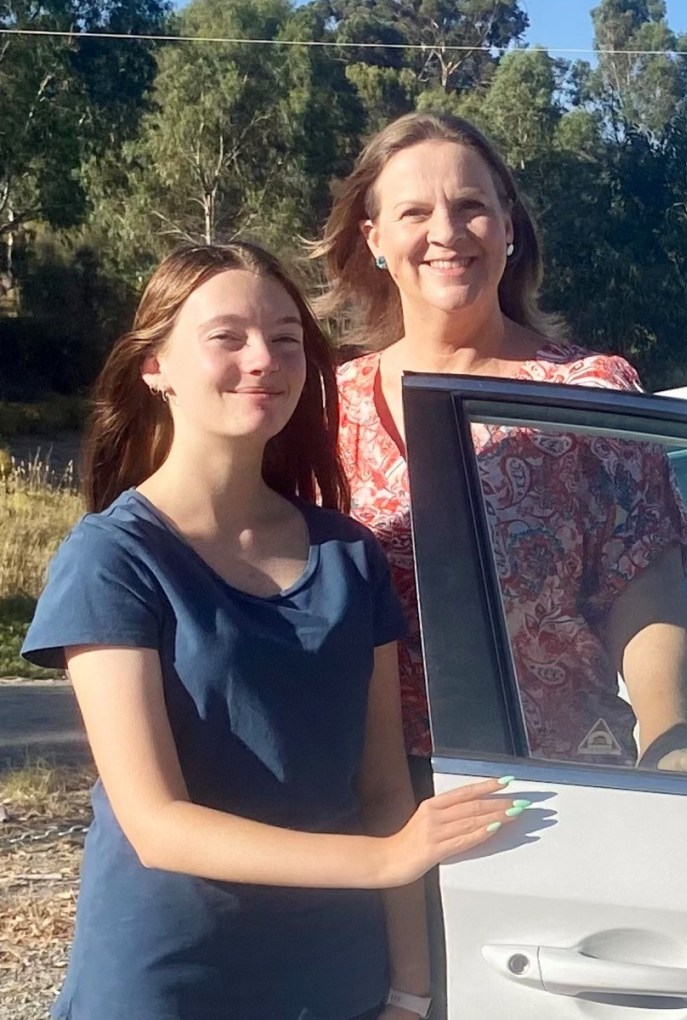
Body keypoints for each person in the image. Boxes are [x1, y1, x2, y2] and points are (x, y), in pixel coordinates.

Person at [22, 242, 522, 1020]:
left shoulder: (348, 553)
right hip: (170, 982)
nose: (264, 360)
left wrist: (410, 991)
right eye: (227, 337)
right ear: (156, 366)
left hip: (335, 982)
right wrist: (389, 860)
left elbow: (384, 787)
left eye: (286, 340)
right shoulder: (113, 557)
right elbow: (158, 826)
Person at [314, 111, 687, 780]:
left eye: (471, 206)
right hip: (364, 799)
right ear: (374, 240)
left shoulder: (588, 393)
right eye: (415, 212)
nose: (447, 232)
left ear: (508, 227)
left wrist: (669, 739)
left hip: (554, 792)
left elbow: (648, 596)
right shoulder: (326, 410)